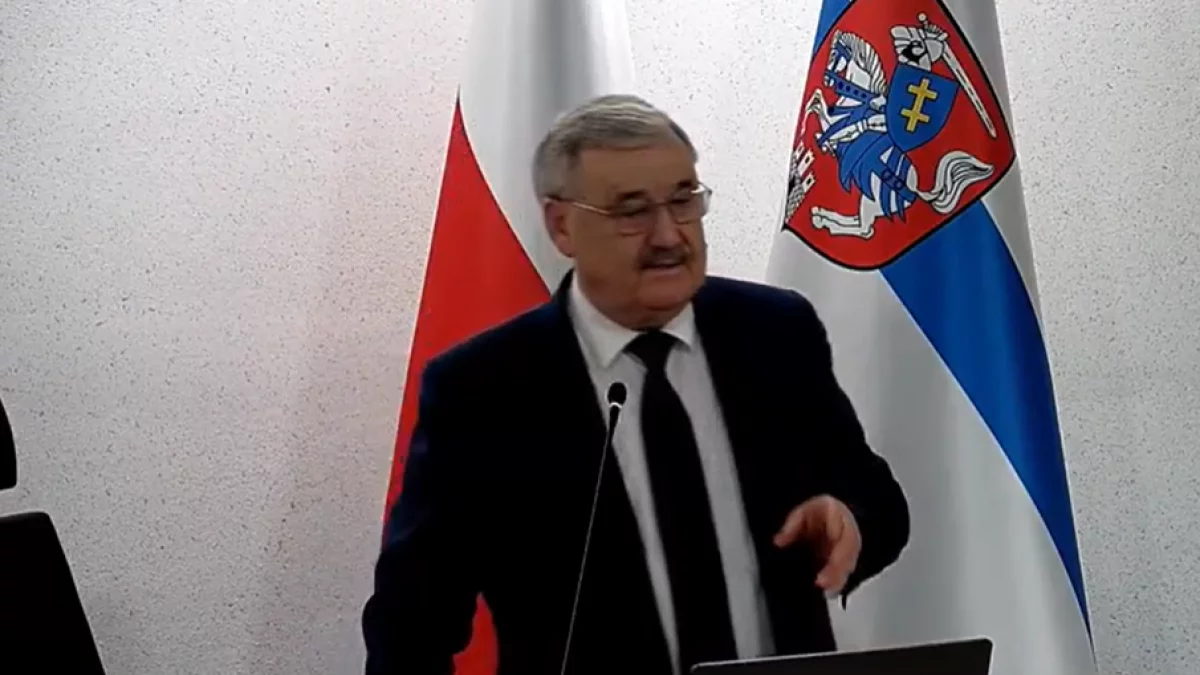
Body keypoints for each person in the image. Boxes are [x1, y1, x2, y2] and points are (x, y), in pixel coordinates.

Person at [362, 94, 910, 675]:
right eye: (631, 211)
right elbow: (410, 627)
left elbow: (880, 502)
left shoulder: (775, 333)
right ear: (562, 225)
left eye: (683, 200)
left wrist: (852, 521)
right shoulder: (484, 390)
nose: (669, 236)